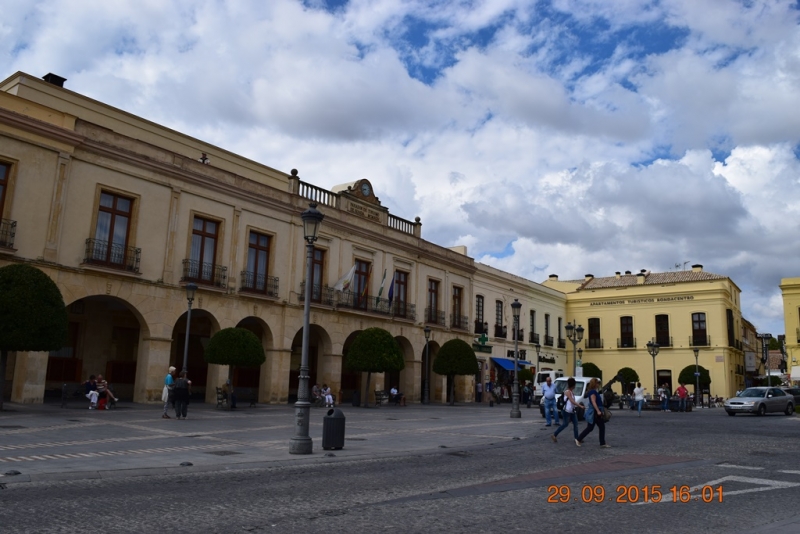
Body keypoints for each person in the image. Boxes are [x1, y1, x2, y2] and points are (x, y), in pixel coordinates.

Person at [576, 378, 609, 448]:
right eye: (597, 383)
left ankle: (579, 439)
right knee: (596, 427)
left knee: (593, 427)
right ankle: (579, 439)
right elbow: (593, 402)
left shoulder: (593, 391)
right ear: (594, 384)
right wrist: (598, 411)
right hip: (595, 412)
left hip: (596, 411)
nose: (598, 384)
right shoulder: (592, 392)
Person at [552, 377, 583, 446]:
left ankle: (577, 438)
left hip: (572, 411)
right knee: (565, 424)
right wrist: (580, 406)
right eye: (574, 384)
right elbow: (572, 401)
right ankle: (554, 434)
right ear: (573, 385)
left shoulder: (571, 392)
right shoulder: (567, 392)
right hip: (566, 411)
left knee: (576, 424)